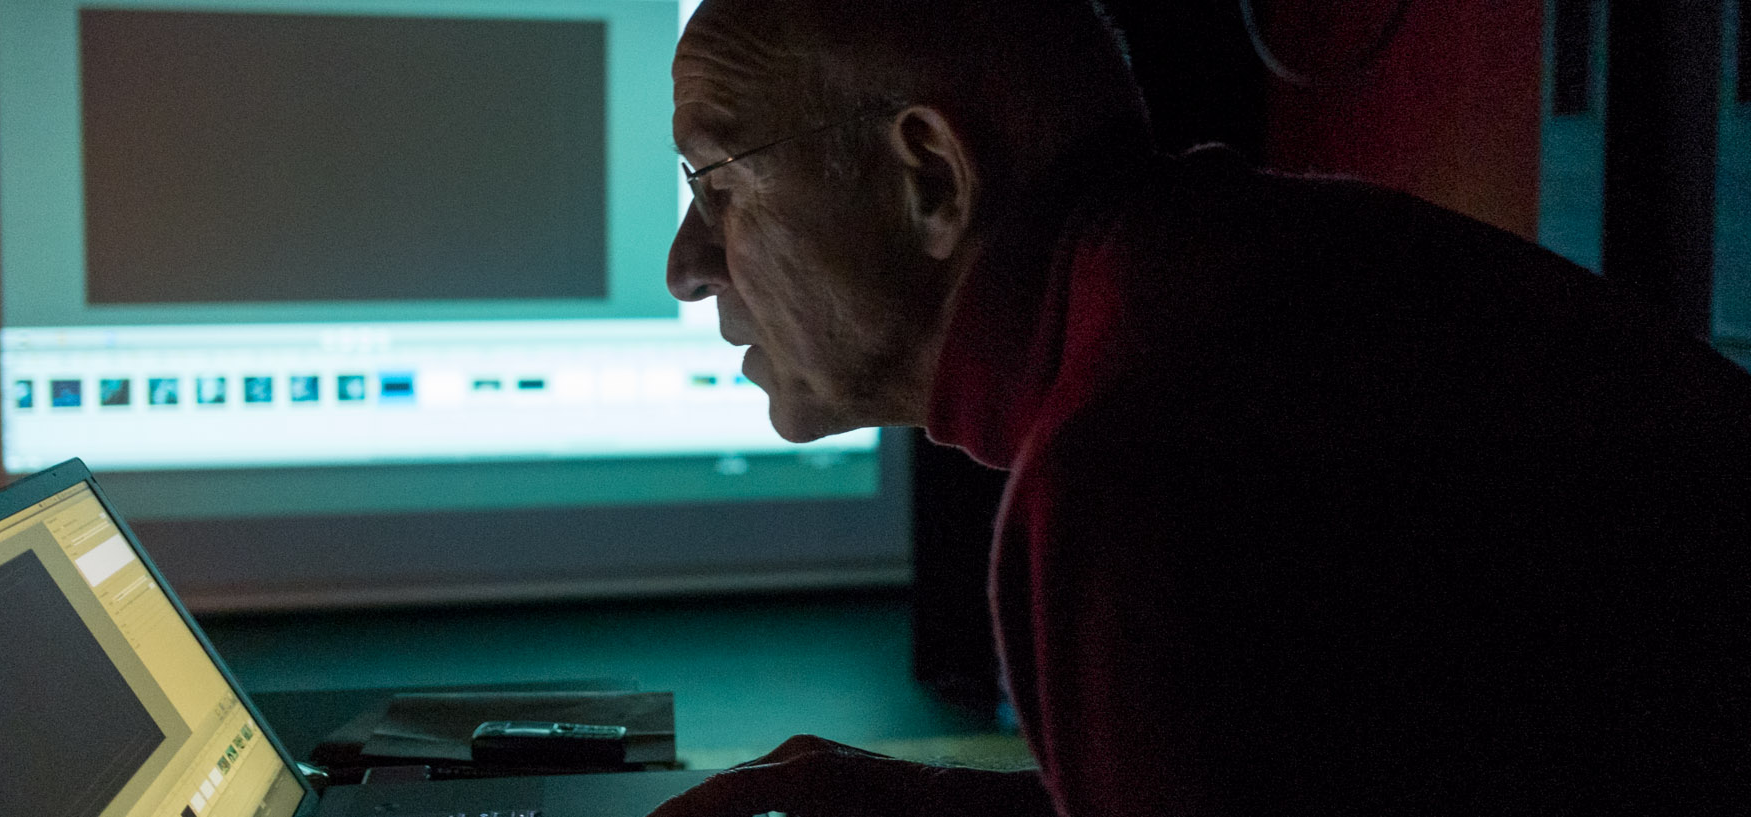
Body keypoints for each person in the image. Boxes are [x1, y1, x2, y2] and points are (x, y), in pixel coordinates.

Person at [656, 1, 1751, 814]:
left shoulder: (1136, 464)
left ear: (933, 178)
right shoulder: (1260, 269)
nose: (685, 264)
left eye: (716, 182)